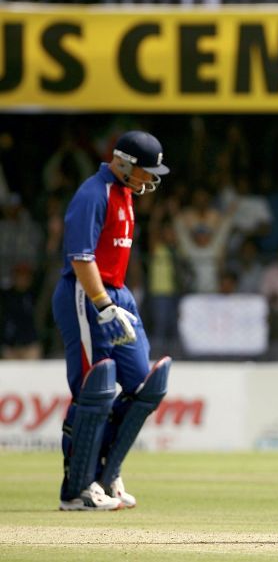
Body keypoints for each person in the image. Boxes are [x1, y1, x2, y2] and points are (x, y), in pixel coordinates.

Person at [52, 130, 171, 511]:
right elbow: (81, 259)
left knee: (144, 384)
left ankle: (107, 474)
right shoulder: (93, 193)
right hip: (85, 294)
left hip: (116, 293)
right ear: (122, 163)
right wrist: (102, 304)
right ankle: (78, 488)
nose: (150, 179)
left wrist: (119, 300)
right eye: (146, 171)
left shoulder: (125, 193)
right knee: (96, 387)